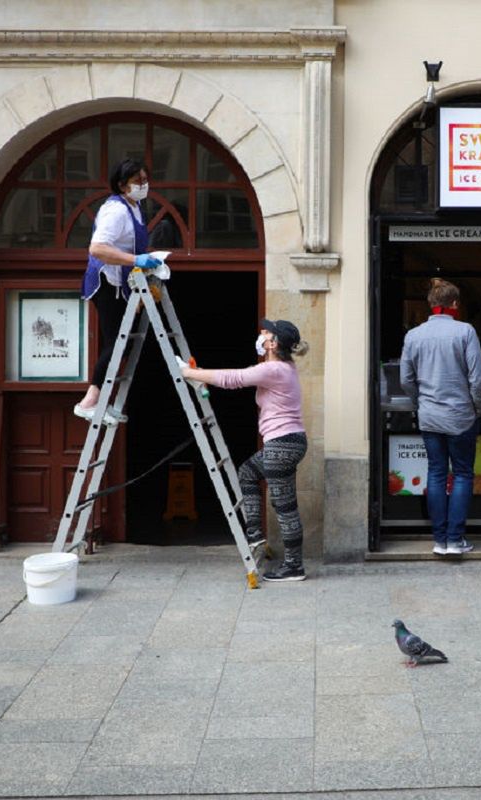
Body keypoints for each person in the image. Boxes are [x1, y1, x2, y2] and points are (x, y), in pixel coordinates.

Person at [180, 319, 310, 582]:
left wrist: (188, 373)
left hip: (281, 444)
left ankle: (294, 566)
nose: (261, 335)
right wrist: (201, 372)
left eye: (266, 333)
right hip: (289, 442)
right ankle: (255, 535)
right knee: (247, 473)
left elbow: (233, 378)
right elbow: (238, 375)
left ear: (273, 344)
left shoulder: (274, 369)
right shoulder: (280, 368)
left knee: (285, 507)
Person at [400, 278, 481, 556]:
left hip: (429, 415)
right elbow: (478, 378)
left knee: (436, 473)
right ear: (455, 304)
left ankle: (439, 539)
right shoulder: (465, 331)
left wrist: (419, 402)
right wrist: (476, 406)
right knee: (462, 474)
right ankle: (455, 539)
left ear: (431, 304)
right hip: (461, 414)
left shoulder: (414, 335)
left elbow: (405, 379)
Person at [74, 159, 162, 424]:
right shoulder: (116, 211)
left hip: (123, 283)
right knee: (116, 344)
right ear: (122, 185)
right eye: (138, 181)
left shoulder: (135, 207)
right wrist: (136, 261)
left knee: (122, 344)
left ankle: (101, 400)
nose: (143, 185)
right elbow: (97, 248)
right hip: (108, 283)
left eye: (146, 180)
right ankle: (89, 401)